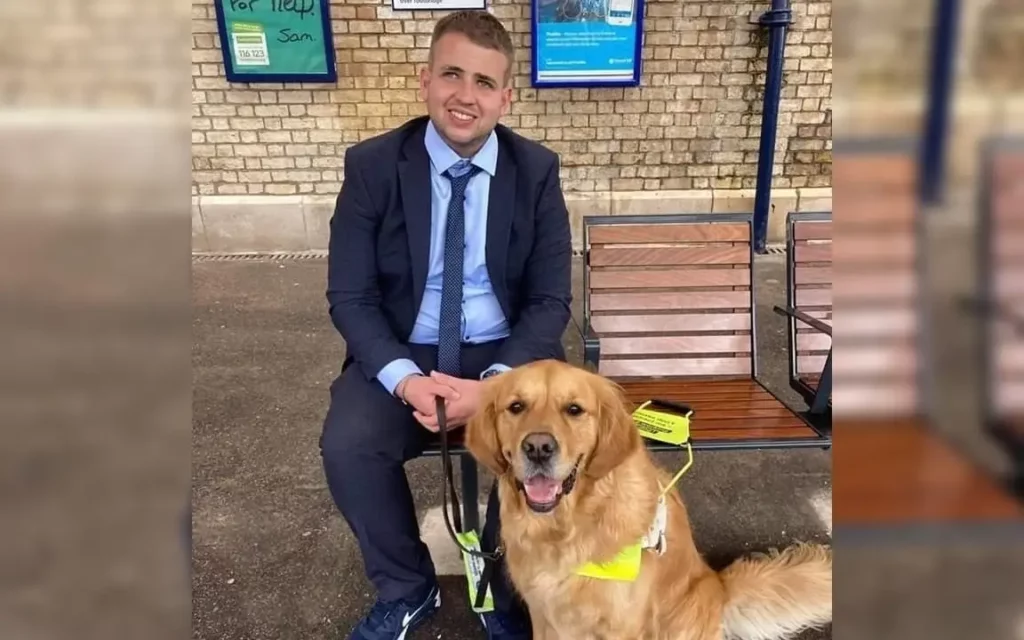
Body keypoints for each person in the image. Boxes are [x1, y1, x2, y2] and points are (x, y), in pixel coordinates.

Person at [319, 9, 573, 640]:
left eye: (486, 83)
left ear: (506, 97)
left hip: (508, 351)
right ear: (425, 79)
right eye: (452, 75)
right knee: (349, 444)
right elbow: (350, 295)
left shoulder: (536, 171)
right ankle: (408, 589)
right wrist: (406, 380)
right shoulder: (374, 166)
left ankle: (502, 585)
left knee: (555, 443)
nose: (467, 95)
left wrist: (494, 387)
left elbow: (549, 300)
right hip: (409, 348)